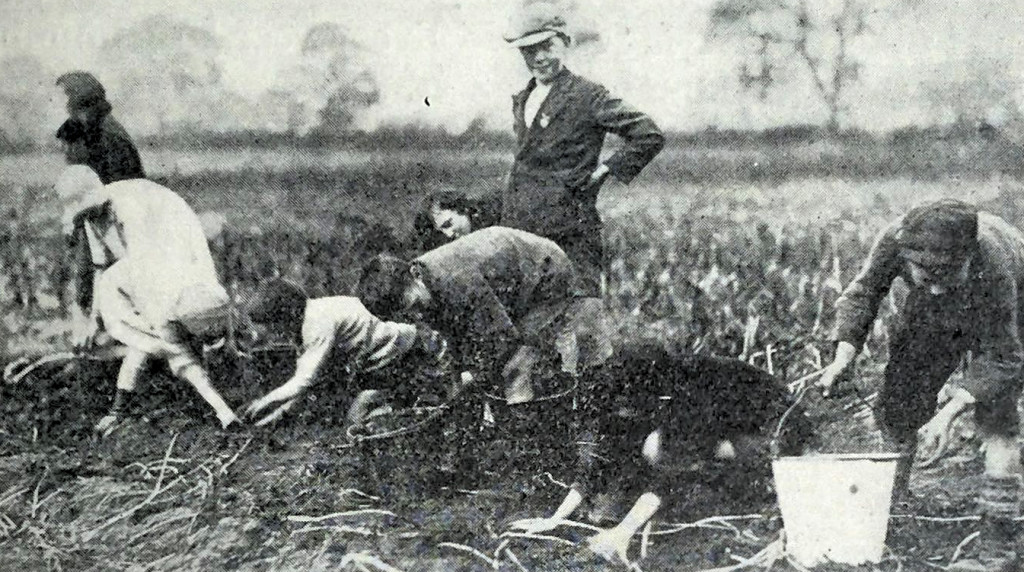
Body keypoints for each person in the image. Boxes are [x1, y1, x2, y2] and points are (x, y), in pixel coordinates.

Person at [817, 199, 1024, 571]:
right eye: (926, 277)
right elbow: (864, 293)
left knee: (998, 420)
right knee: (901, 402)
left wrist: (949, 413)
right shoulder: (896, 240)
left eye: (948, 276)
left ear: (968, 258)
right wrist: (842, 357)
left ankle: (998, 545)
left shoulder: (995, 266)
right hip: (934, 313)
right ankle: (891, 511)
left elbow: (1003, 357)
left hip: (1012, 311)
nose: (938, 289)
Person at [511, 343, 811, 564]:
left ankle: (742, 484)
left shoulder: (688, 395)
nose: (624, 413)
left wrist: (623, 532)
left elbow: (672, 471)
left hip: (775, 430)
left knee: (664, 451)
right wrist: (555, 519)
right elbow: (605, 455)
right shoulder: (625, 385)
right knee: (649, 446)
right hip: (727, 423)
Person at [56, 166, 239, 433]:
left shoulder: (131, 207)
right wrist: (93, 320)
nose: (88, 217)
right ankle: (211, 394)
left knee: (171, 325)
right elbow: (100, 268)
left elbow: (146, 268)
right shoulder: (92, 219)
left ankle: (220, 380)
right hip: (144, 271)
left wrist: (150, 320)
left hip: (175, 249)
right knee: (157, 331)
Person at [502, 3, 664, 296]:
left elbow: (648, 134)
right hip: (522, 229)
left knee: (580, 318)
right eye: (529, 50)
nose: (539, 57)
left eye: (546, 46)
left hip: (570, 232)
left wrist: (604, 170)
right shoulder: (522, 99)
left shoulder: (587, 95)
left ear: (564, 43)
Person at [358, 226, 602, 405]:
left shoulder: (456, 281)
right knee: (482, 373)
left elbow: (502, 339)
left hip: (545, 274)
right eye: (405, 316)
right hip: (506, 283)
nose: (415, 316)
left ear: (415, 274)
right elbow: (454, 338)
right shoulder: (423, 287)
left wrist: (471, 376)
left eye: (413, 306)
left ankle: (528, 445)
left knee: (515, 366)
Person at [241, 278, 453, 426]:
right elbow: (309, 378)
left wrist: (264, 403)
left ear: (284, 315)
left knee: (359, 418)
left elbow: (304, 381)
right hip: (388, 354)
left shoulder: (316, 325)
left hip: (402, 352)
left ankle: (412, 414)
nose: (275, 334)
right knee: (361, 410)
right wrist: (278, 413)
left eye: (274, 327)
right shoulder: (314, 312)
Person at [55, 71, 145, 185]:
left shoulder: (111, 137)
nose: (58, 103)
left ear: (77, 98)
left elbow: (119, 188)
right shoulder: (75, 129)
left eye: (64, 95)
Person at [413, 191, 501, 252]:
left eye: (448, 225)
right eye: (442, 231)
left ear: (459, 210)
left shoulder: (496, 217)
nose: (449, 234)